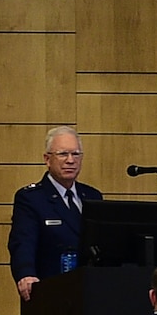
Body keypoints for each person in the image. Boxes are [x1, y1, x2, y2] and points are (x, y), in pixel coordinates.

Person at [10, 125, 102, 301]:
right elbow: (22, 243)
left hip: (90, 291)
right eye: (62, 154)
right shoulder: (31, 198)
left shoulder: (92, 196)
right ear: (47, 159)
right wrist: (25, 274)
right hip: (51, 289)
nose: (70, 160)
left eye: (76, 154)